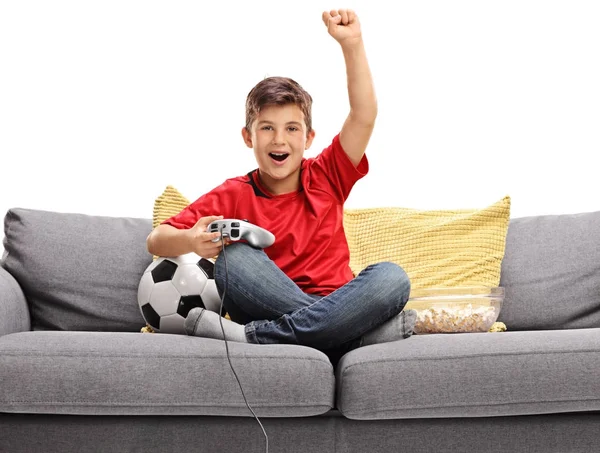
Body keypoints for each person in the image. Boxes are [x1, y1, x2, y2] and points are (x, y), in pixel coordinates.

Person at [146, 9, 415, 364]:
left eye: (291, 128)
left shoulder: (328, 174)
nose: (279, 139)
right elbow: (157, 238)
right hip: (269, 302)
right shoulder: (233, 193)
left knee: (392, 278)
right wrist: (190, 240)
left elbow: (364, 115)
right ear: (248, 137)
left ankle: (257, 338)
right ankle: (350, 336)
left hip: (331, 301)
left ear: (309, 138)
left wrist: (352, 44)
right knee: (233, 259)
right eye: (267, 127)